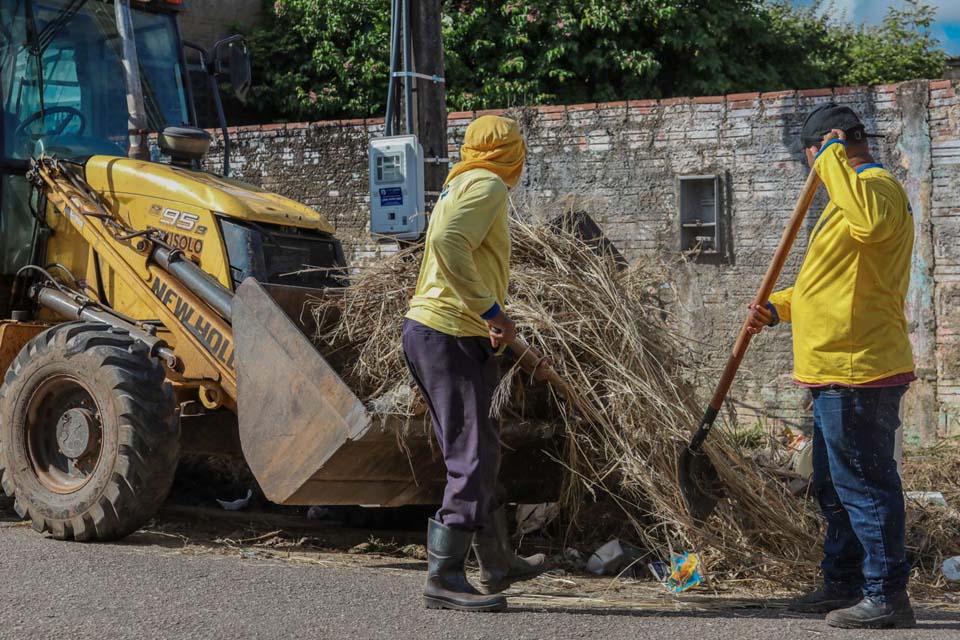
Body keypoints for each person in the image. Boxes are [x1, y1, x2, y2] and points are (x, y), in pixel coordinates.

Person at [747, 103, 916, 629]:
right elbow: (827, 283)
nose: (813, 173)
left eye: (812, 160)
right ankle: (842, 582)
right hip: (830, 371)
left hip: (858, 369)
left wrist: (834, 155)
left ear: (832, 146)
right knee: (833, 484)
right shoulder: (846, 197)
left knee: (865, 484)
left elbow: (868, 228)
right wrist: (778, 306)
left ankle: (887, 593)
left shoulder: (877, 189)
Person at [402, 115, 549, 612]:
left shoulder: (463, 181)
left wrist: (495, 324)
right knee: (471, 455)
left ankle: (496, 562)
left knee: (477, 447)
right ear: (511, 153)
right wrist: (491, 310)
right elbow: (447, 244)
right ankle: (444, 578)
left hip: (440, 331)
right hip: (449, 333)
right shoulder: (487, 184)